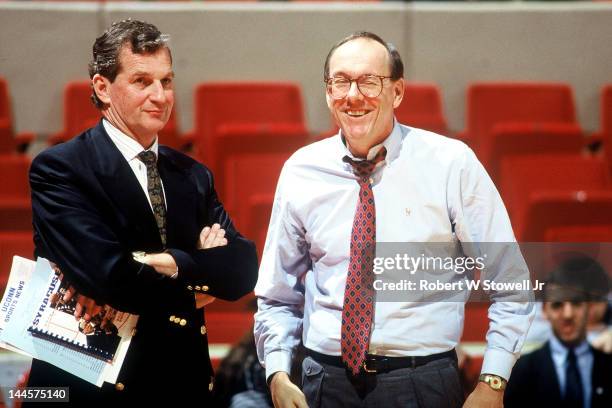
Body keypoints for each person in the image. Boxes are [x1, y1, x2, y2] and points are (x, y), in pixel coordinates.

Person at [254, 31, 534, 408]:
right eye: (340, 82)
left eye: (369, 81)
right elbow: (276, 295)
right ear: (327, 92)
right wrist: (278, 373)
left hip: (422, 382)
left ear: (397, 92)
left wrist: (493, 382)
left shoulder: (451, 164)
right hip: (323, 381)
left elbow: (511, 282)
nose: (353, 96)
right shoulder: (300, 171)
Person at [25, 19, 258, 405]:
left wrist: (170, 263)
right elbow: (111, 276)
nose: (160, 95)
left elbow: (242, 267)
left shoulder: (193, 174)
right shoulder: (61, 168)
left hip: (180, 384)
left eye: (166, 82)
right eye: (141, 81)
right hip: (86, 389)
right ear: (102, 88)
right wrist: (199, 274)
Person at [504, 258, 612, 407]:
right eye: (557, 305)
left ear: (589, 307)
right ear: (544, 310)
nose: (568, 314)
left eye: (576, 303)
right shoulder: (522, 369)